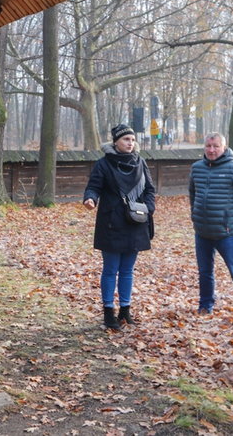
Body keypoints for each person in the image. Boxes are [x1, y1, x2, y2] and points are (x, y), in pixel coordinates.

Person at [83, 124, 156, 330]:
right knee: (110, 270)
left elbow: (150, 190)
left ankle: (125, 311)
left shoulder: (140, 162)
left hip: (135, 222)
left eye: (132, 140)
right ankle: (108, 313)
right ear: (116, 142)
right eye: (126, 140)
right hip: (111, 223)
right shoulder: (104, 164)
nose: (130, 143)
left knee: (127, 270)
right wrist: (90, 199)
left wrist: (148, 208)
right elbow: (94, 186)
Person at [188, 132, 233, 325]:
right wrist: (195, 215)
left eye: (216, 146)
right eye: (208, 146)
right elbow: (193, 192)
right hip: (202, 232)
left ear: (224, 147)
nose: (211, 150)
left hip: (227, 233)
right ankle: (205, 305)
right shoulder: (197, 168)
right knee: (205, 272)